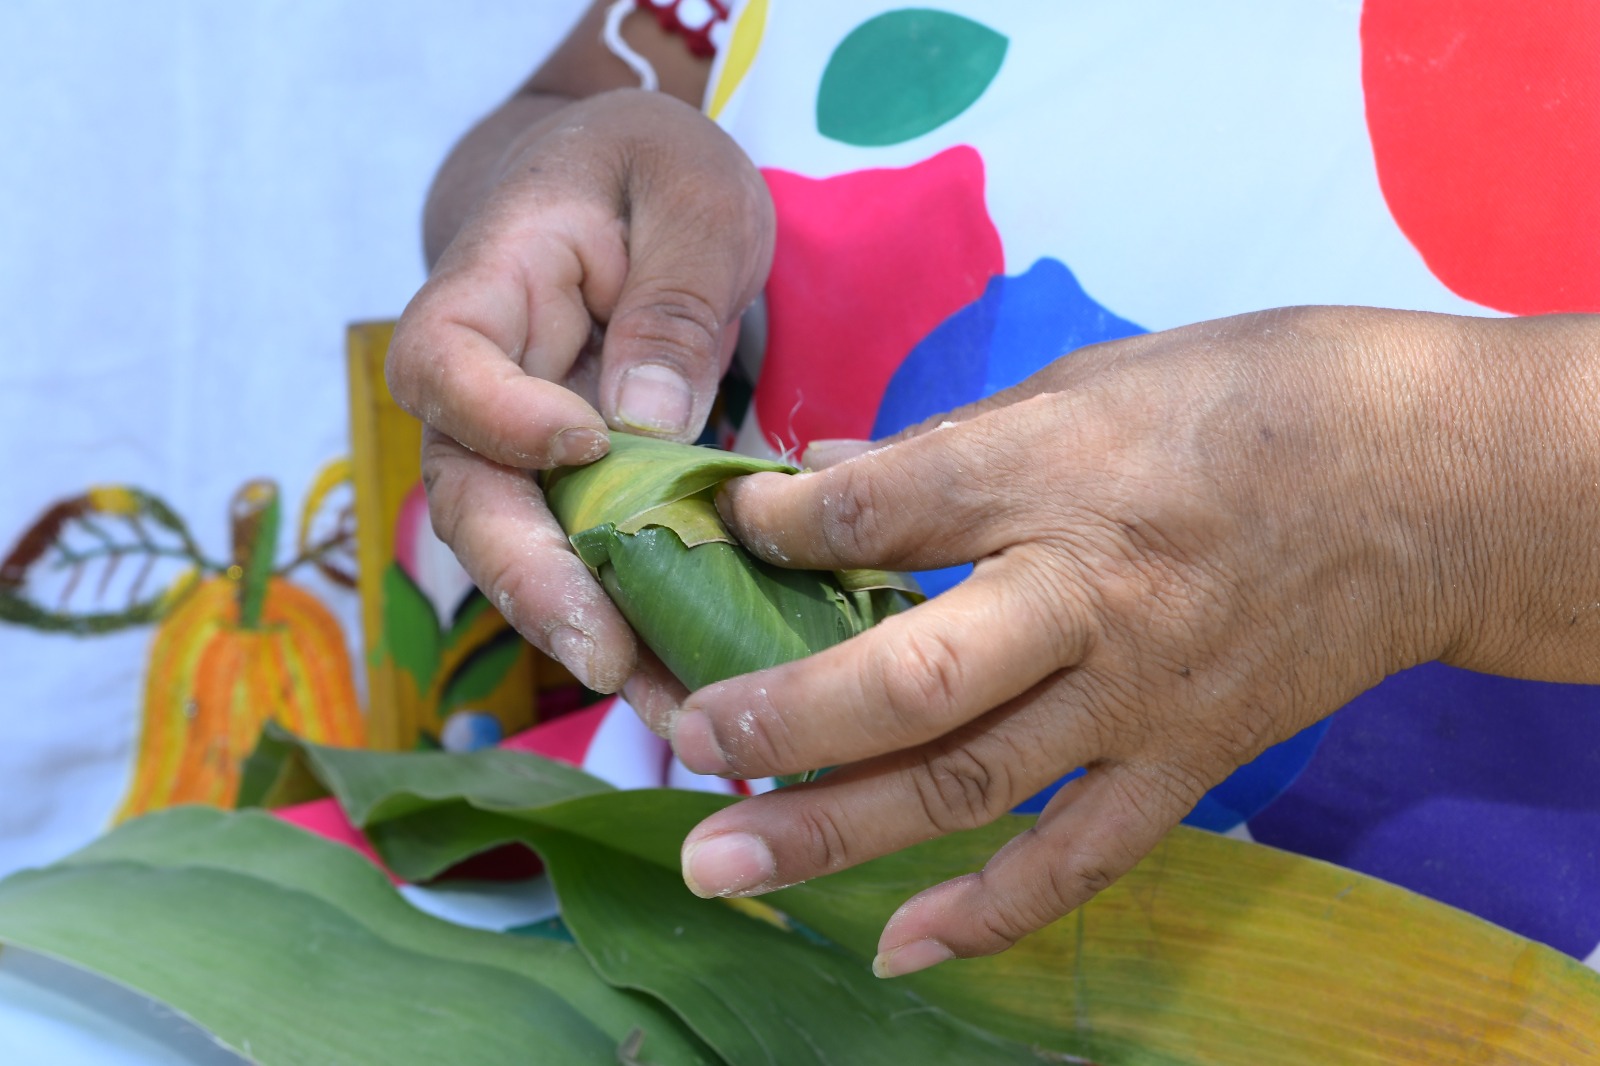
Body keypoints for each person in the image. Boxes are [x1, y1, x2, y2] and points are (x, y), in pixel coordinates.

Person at [388, 0, 1600, 978]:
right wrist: (562, 184)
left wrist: (1428, 490)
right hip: (750, 943)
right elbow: (578, 96)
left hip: (1471, 986)